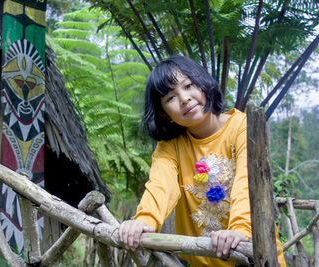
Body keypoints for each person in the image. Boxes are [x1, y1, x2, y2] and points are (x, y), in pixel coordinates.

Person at [118, 55, 286, 266]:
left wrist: (240, 229)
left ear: (203, 84)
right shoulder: (171, 145)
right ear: (164, 114)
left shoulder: (242, 127)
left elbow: (247, 182)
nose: (184, 98)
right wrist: (144, 220)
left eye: (188, 85)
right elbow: (161, 186)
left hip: (255, 257)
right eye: (170, 98)